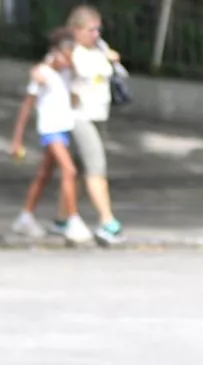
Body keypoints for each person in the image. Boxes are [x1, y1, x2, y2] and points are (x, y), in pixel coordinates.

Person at [9, 28, 92, 245]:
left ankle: (25, 216)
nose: (68, 58)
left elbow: (79, 78)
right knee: (69, 170)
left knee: (43, 175)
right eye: (65, 53)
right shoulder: (42, 74)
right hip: (49, 130)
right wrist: (17, 140)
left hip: (62, 129)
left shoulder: (66, 72)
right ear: (55, 52)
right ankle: (73, 220)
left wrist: (68, 62)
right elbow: (26, 108)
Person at [56, 4, 126, 246]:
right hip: (79, 116)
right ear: (75, 30)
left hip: (98, 115)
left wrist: (108, 58)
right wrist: (103, 59)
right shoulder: (71, 51)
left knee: (75, 171)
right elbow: (82, 72)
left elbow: (119, 73)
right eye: (90, 30)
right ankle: (108, 222)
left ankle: (62, 218)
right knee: (96, 168)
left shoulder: (98, 48)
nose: (95, 35)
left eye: (98, 30)